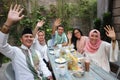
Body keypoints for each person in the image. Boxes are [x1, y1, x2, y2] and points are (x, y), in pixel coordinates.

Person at [0, 4, 53, 80]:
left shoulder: (36, 53)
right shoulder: (15, 52)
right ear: (21, 39)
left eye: (31, 37)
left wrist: (49, 76)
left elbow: (43, 66)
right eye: (26, 36)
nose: (29, 38)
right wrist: (8, 23)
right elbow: (1, 45)